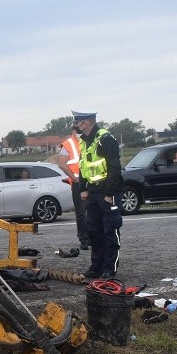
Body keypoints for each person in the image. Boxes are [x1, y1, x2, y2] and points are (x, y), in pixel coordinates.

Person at [72, 110, 124, 279]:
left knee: (110, 230)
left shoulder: (106, 139)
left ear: (85, 123)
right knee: (94, 231)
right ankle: (97, 266)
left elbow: (115, 167)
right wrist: (83, 189)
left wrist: (109, 193)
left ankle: (109, 269)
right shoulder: (85, 141)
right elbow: (83, 166)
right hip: (93, 192)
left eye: (77, 122)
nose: (75, 126)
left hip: (108, 192)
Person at [57, 129, 90, 250]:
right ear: (73, 131)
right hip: (78, 182)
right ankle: (84, 239)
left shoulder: (89, 141)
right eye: (78, 131)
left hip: (91, 181)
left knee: (92, 210)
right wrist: (74, 178)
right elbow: (62, 164)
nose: (81, 133)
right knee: (81, 212)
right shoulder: (69, 144)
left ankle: (91, 237)